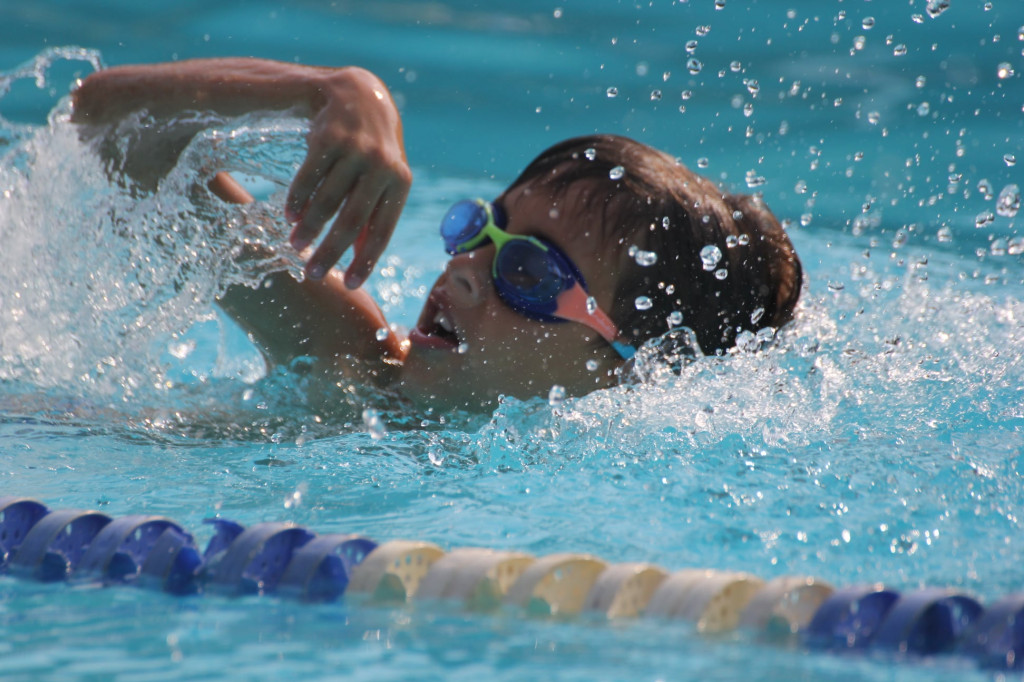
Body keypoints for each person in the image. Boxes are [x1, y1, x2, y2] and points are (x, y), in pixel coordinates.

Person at [71, 58, 802, 412]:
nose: (461, 272)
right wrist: (325, 91)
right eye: (481, 230)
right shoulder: (354, 367)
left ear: (629, 368)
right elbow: (116, 132)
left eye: (529, 273)